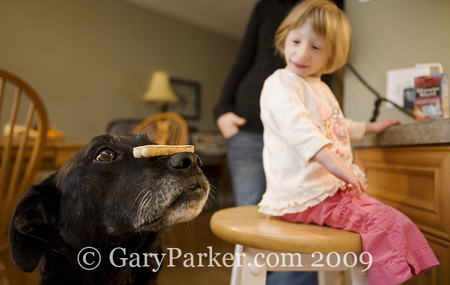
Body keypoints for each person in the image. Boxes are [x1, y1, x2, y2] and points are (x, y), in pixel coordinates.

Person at [258, 0, 440, 284]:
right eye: (296, 40)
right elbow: (299, 129)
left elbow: (338, 127)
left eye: (316, 47)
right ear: (284, 38)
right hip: (307, 194)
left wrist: (371, 127)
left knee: (393, 221)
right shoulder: (280, 83)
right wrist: (337, 166)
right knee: (385, 223)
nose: (302, 53)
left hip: (327, 191)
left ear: (331, 56)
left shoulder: (321, 89)